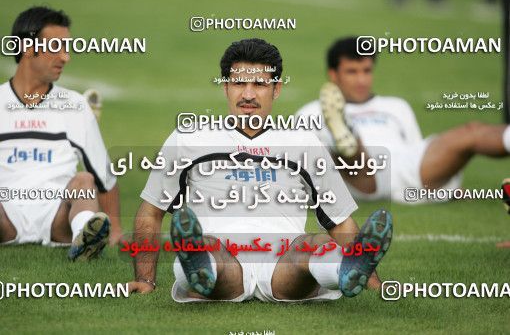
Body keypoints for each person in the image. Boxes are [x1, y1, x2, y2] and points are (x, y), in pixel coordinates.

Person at [127, 38, 393, 302]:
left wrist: (374, 283)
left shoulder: (303, 141)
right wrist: (145, 279)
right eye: (239, 83)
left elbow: (340, 220)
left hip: (284, 261)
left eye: (259, 84)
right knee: (202, 247)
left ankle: (345, 270)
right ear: (225, 87)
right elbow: (150, 212)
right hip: (222, 256)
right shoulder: (189, 137)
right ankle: (198, 266)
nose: (248, 95)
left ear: (276, 89)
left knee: (315, 245)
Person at [296, 36, 510, 203]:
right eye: (352, 72)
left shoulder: (396, 106)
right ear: (333, 75)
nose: (362, 80)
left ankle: (345, 138)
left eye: (367, 71)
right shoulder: (311, 112)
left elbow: (415, 149)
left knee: (471, 132)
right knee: (347, 154)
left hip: (407, 169)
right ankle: (346, 139)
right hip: (358, 177)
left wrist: (445, 178)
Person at [0, 6, 122, 259]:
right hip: (5, 218)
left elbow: (104, 178)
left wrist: (116, 230)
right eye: (56, 47)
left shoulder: (75, 105)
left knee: (84, 180)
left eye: (67, 48)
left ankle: (84, 237)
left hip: (59, 219)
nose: (65, 57)